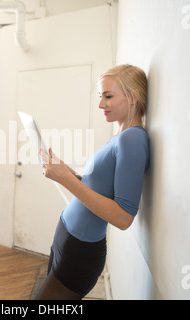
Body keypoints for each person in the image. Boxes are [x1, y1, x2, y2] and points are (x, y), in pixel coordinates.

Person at [35, 64, 150, 300]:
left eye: (108, 96)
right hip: (66, 234)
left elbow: (123, 217)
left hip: (80, 250)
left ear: (134, 97)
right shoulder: (119, 135)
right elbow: (98, 187)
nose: (100, 104)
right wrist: (64, 171)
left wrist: (66, 179)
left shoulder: (133, 139)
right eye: (100, 96)